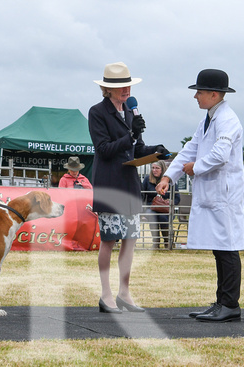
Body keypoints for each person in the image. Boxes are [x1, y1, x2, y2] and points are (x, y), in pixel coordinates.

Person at [156, 69, 244, 322]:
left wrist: (194, 168)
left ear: (213, 94)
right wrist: (168, 176)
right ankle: (222, 302)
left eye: (199, 91)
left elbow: (220, 154)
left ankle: (230, 304)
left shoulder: (228, 120)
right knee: (219, 248)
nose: (195, 96)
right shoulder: (209, 119)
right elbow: (190, 149)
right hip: (212, 193)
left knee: (228, 248)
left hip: (223, 194)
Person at [88, 61, 170, 313]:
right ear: (107, 89)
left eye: (128, 86)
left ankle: (124, 292)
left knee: (131, 239)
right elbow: (104, 150)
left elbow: (135, 150)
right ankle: (106, 294)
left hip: (129, 183)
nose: (126, 91)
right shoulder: (97, 112)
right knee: (109, 240)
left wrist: (155, 152)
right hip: (110, 184)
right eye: (121, 87)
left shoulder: (130, 112)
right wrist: (131, 136)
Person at [142, 160, 180, 248]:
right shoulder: (147, 179)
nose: (154, 170)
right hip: (151, 208)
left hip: (165, 208)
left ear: (162, 169)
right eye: (153, 168)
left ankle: (168, 241)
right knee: (151, 215)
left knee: (163, 217)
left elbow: (177, 198)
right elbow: (142, 195)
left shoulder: (169, 180)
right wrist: (142, 210)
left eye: (157, 168)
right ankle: (156, 242)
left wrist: (168, 202)